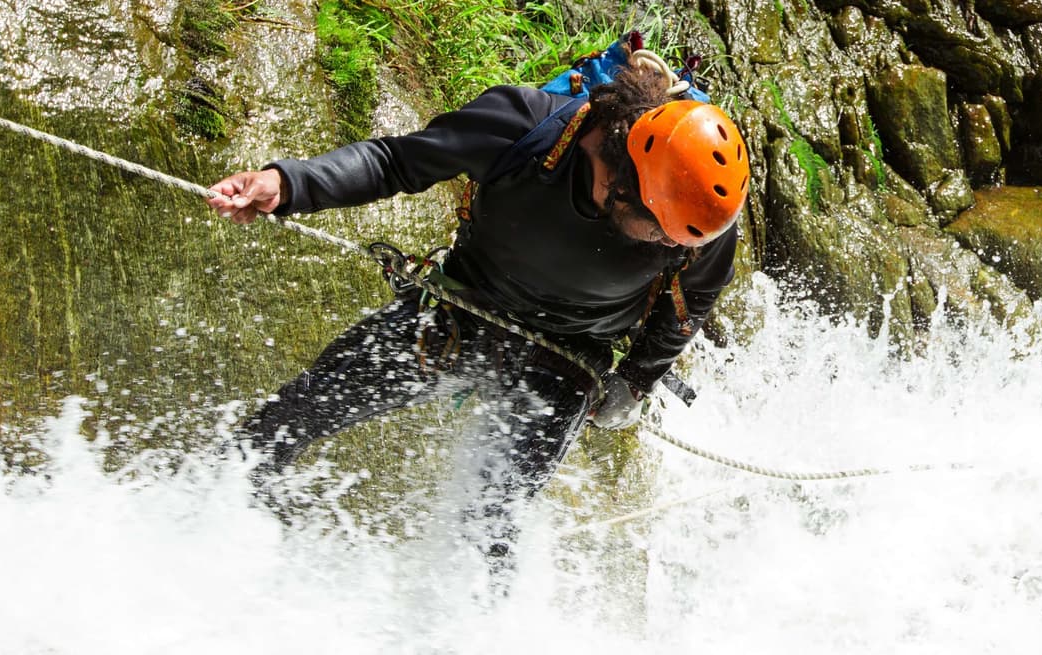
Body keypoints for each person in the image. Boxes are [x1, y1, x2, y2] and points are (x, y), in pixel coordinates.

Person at [203, 53, 750, 560]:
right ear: (618, 180)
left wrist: (634, 380)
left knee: (491, 528)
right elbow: (395, 161)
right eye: (661, 232)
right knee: (295, 414)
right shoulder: (524, 128)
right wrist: (289, 183)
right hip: (461, 311)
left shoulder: (694, 219)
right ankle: (204, 521)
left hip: (570, 358)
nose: (674, 247)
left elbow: (691, 301)